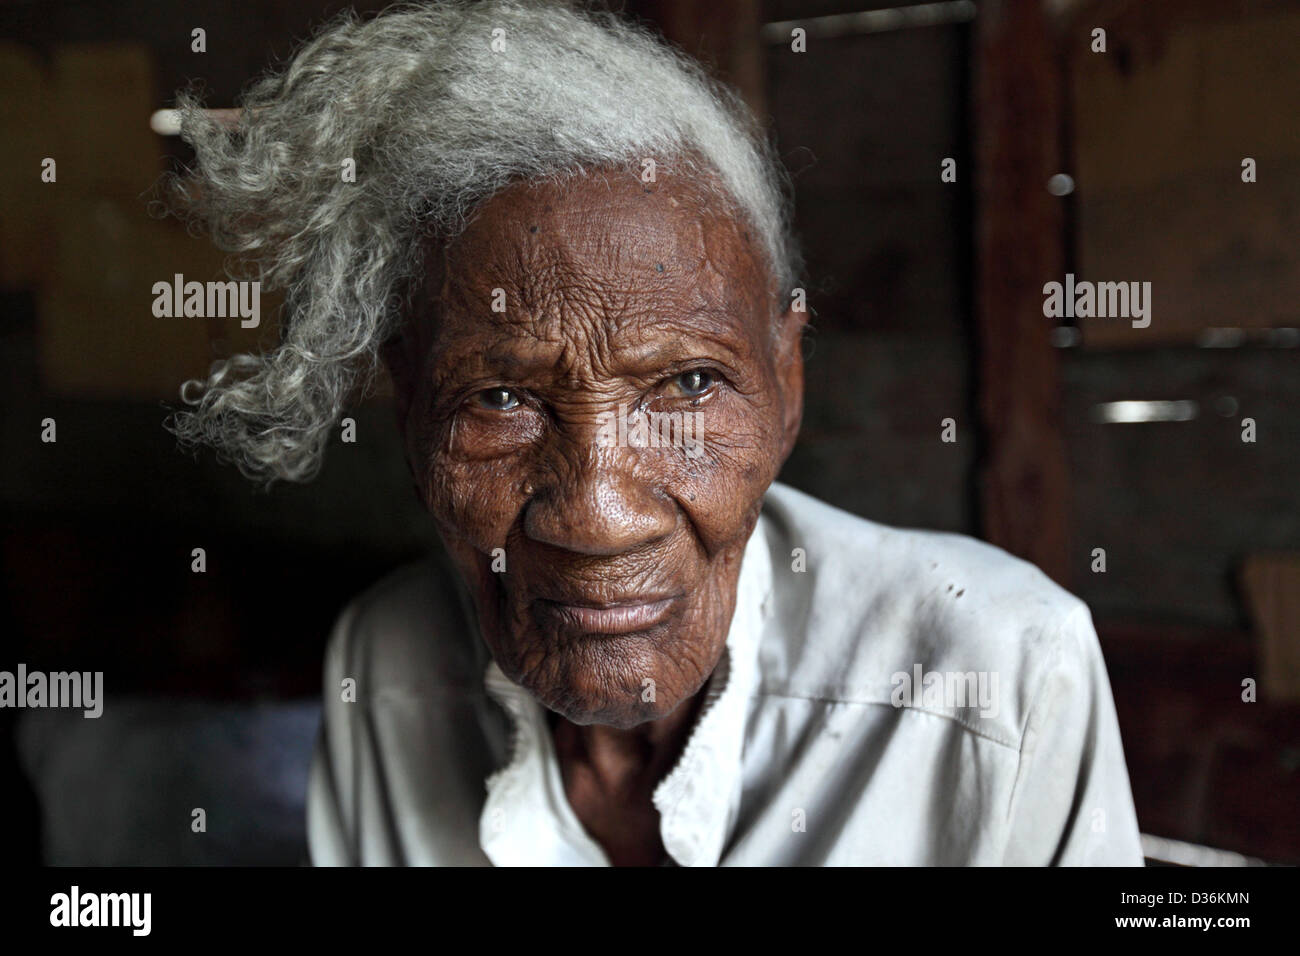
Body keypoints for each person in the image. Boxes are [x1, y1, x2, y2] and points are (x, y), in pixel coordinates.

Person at [166, 0, 1143, 866]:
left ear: (786, 382)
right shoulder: (383, 663)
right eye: (500, 399)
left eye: (685, 383)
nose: (596, 514)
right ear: (408, 400)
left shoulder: (1002, 672)